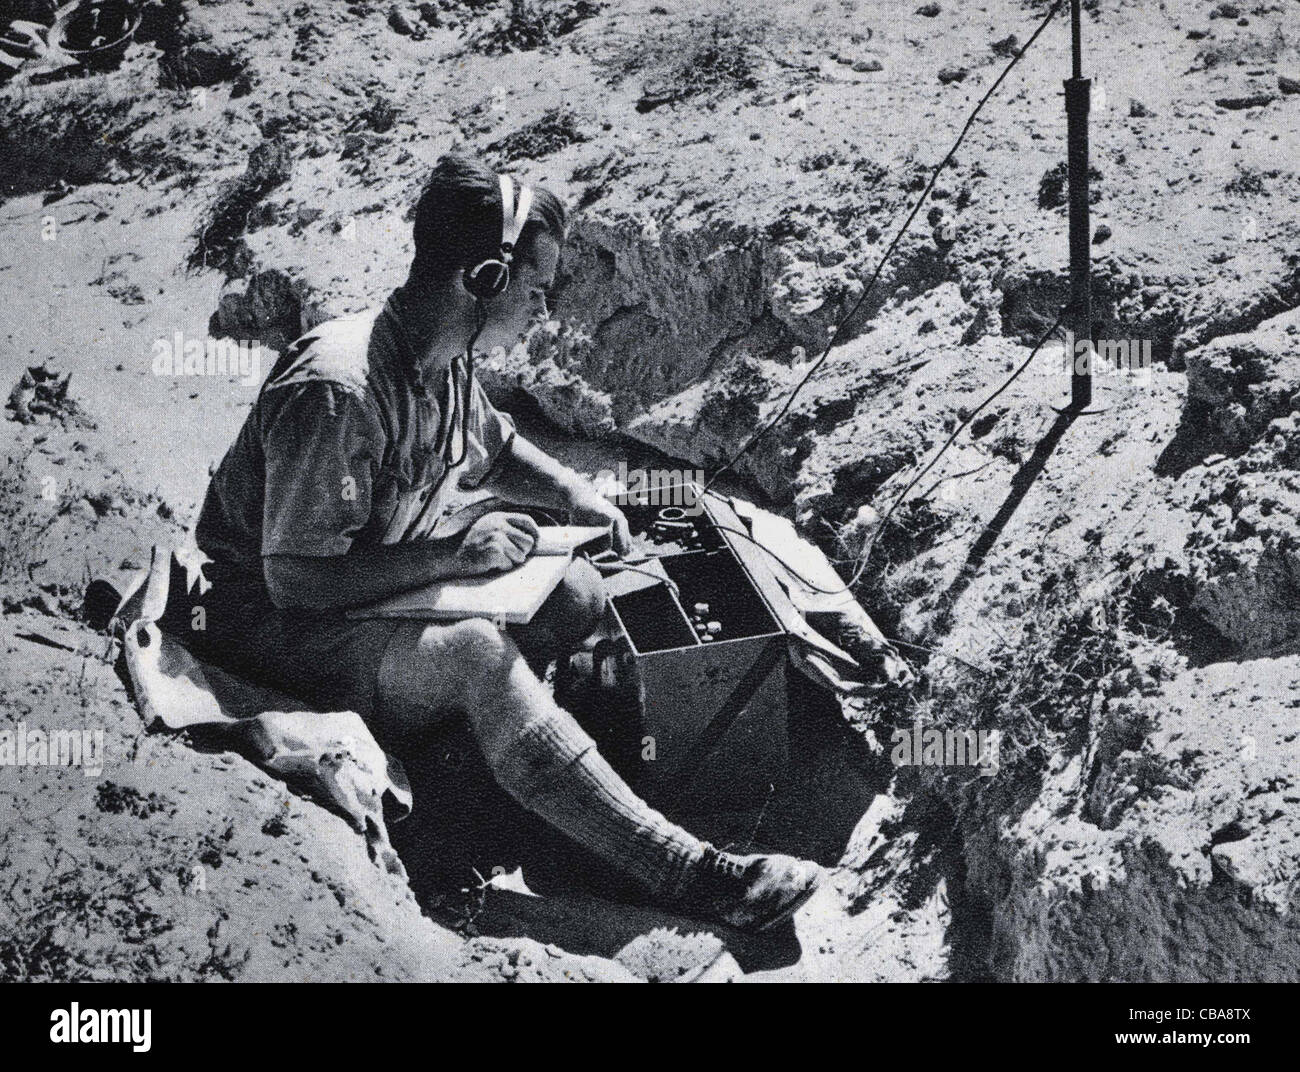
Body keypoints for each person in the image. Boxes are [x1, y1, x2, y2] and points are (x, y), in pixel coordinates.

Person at [188, 152, 822, 931]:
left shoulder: (438, 359)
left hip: (348, 599)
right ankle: (687, 873)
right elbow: (296, 582)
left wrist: (577, 497)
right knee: (476, 655)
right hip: (269, 626)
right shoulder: (341, 389)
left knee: (577, 593)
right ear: (482, 280)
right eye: (534, 289)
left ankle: (535, 806)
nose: (541, 312)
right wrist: (454, 559)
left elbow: (494, 449)